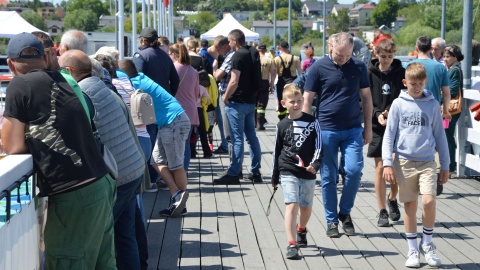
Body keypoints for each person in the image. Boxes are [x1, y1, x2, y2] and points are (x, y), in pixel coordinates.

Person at [2, 32, 117, 269]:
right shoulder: (64, 78)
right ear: (46, 57)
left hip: (75, 196)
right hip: (100, 182)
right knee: (103, 264)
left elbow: (11, 146)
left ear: (11, 63)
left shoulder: (19, 84)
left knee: (67, 262)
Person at [59, 50, 146, 270]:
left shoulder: (80, 93)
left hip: (118, 176)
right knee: (126, 235)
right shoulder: (101, 86)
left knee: (100, 240)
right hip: (132, 168)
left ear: (70, 71)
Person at [302, 32, 373, 237]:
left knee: (354, 171)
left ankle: (345, 213)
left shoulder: (358, 67)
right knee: (328, 177)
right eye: (339, 55)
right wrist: (308, 132)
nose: (343, 60)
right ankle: (332, 220)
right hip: (326, 129)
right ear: (331, 47)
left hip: (352, 129)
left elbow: (366, 98)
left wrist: (367, 126)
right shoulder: (318, 67)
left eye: (347, 55)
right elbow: (307, 99)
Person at [382, 62, 449, 268]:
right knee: (410, 205)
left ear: (425, 82)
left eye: (420, 83)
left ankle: (427, 244)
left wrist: (445, 164)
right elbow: (389, 135)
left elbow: (440, 135)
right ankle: (412, 249)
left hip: (428, 160)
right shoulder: (398, 104)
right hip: (404, 161)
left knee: (429, 201)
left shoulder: (432, 104)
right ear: (405, 83)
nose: (417, 87)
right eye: (413, 83)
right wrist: (387, 163)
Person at [118, 59, 191, 217]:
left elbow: (115, 77)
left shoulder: (136, 84)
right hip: (170, 122)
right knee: (156, 161)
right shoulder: (141, 77)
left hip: (173, 122)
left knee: (176, 165)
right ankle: (176, 195)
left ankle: (181, 203)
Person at [272, 84, 322, 259]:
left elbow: (319, 146)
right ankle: (292, 243)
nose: (296, 104)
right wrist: (275, 176)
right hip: (288, 169)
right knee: (292, 204)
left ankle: (301, 229)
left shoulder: (312, 121)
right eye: (292, 101)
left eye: (299, 101)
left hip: (308, 170)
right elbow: (276, 152)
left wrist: (315, 165)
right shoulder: (281, 125)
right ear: (283, 103)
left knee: (306, 207)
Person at [213, 29, 262, 184]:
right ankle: (255, 171)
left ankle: (234, 173)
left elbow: (234, 81)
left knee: (237, 138)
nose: (228, 43)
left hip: (237, 102)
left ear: (235, 40)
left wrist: (226, 97)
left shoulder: (237, 55)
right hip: (250, 101)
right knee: (252, 138)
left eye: (229, 40)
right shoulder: (253, 52)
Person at [134, 27, 180, 190]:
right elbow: (175, 80)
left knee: (149, 141)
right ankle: (161, 177)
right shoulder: (165, 56)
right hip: (164, 106)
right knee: (162, 143)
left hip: (148, 106)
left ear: (143, 40)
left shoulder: (141, 56)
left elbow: (136, 80)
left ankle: (151, 179)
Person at [368, 39, 404, 227]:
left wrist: (391, 111)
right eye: (383, 57)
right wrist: (376, 114)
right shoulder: (369, 73)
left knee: (395, 168)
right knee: (381, 167)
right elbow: (363, 98)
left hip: (396, 124)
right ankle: (382, 210)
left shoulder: (401, 72)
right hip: (377, 125)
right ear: (376, 54)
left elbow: (403, 95)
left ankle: (392, 198)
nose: (387, 60)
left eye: (390, 56)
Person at [169, 43, 200, 171]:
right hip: (191, 110)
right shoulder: (193, 71)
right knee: (186, 143)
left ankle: (176, 172)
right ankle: (184, 171)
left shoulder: (173, 68)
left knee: (174, 143)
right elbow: (196, 93)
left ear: (175, 55)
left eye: (170, 54)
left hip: (177, 109)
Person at [406, 36, 451, 121]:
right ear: (430, 48)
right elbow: (446, 93)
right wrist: (445, 111)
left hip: (411, 109)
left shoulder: (407, 66)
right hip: (433, 110)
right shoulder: (440, 67)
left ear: (416, 48)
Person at [443, 45, 464, 174]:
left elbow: (454, 89)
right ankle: (449, 164)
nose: (445, 59)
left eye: (448, 56)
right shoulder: (453, 69)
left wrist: (441, 96)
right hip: (449, 108)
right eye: (444, 56)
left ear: (455, 57)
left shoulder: (455, 70)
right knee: (446, 134)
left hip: (451, 109)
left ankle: (451, 165)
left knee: (447, 135)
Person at [212, 35, 234, 155]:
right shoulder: (227, 56)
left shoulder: (230, 56)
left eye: (219, 49)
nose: (218, 53)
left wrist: (215, 69)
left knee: (228, 131)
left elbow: (217, 76)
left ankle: (234, 165)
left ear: (225, 46)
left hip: (226, 94)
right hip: (225, 93)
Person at [274, 41, 301, 120]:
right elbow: (300, 73)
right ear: (288, 47)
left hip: (281, 82)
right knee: (292, 99)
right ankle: (292, 115)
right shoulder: (295, 58)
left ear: (280, 48)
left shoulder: (277, 59)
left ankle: (282, 118)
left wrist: (271, 84)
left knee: (281, 99)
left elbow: (274, 73)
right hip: (293, 82)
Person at [257, 43, 276, 130]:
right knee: (262, 104)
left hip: (254, 83)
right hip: (264, 82)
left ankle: (254, 122)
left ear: (258, 50)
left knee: (254, 102)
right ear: (265, 50)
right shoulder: (268, 60)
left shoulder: (254, 59)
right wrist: (272, 86)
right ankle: (260, 124)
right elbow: (272, 74)